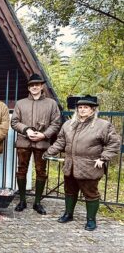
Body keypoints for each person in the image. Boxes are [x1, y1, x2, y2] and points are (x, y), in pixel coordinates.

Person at [44, 96, 120, 231]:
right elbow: (61, 141)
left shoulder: (102, 125)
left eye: (86, 107)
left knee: (90, 193)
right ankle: (68, 214)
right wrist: (49, 152)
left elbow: (114, 143)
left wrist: (103, 158)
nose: (82, 110)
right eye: (80, 107)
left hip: (90, 166)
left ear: (92, 110)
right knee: (69, 191)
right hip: (70, 165)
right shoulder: (68, 125)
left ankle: (91, 220)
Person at [11, 74, 61, 215]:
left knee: (41, 171)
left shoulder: (51, 103)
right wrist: (26, 130)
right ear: (29, 87)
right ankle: (22, 200)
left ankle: (37, 202)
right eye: (32, 85)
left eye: (37, 84)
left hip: (42, 143)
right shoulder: (20, 103)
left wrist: (44, 135)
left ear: (41, 86)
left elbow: (56, 123)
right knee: (21, 170)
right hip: (24, 142)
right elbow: (14, 122)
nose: (34, 87)